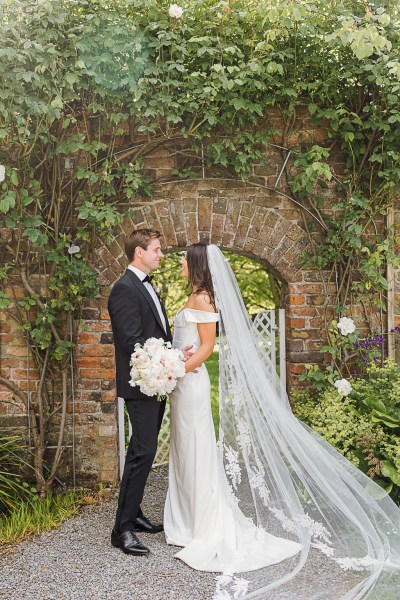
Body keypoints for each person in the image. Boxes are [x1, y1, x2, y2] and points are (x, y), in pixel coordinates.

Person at [164, 243, 400, 599]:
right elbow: (192, 343)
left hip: (191, 383)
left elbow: (208, 347)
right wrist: (173, 360)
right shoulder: (194, 296)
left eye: (185, 258)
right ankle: (185, 518)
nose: (180, 260)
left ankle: (200, 522)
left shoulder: (204, 300)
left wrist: (175, 369)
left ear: (196, 264)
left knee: (196, 446)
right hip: (182, 382)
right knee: (184, 448)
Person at [108, 229, 191, 556]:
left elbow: (154, 335)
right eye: (156, 250)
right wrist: (168, 362)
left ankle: (135, 513)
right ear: (139, 252)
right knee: (142, 451)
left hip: (155, 382)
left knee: (143, 451)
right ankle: (122, 529)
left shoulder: (146, 284)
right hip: (141, 384)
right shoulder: (124, 289)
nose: (161, 255)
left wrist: (174, 359)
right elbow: (131, 344)